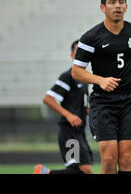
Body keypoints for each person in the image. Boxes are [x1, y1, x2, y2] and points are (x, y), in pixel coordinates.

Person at [71, 0, 131, 174]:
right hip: (103, 102)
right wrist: (100, 80)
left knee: (125, 158)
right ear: (103, 7)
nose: (117, 5)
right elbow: (77, 71)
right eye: (112, 2)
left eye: (121, 2)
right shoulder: (91, 37)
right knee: (109, 158)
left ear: (126, 6)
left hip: (129, 100)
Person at [33, 40, 93, 174]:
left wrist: (89, 110)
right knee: (85, 170)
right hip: (69, 130)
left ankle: (44, 173)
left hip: (79, 131)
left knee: (79, 170)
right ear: (72, 55)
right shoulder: (68, 76)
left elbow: (79, 104)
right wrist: (69, 115)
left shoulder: (85, 79)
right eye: (77, 52)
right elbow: (48, 99)